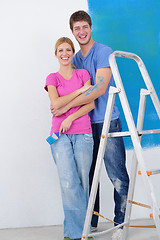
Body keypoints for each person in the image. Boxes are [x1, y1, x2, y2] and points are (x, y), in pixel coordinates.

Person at [51, 11, 130, 240]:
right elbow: (65, 92)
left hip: (107, 121)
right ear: (72, 31)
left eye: (84, 27)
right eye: (76, 29)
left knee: (117, 175)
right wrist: (61, 106)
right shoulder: (74, 60)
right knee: (87, 176)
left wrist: (65, 107)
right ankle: (91, 222)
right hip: (83, 126)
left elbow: (99, 89)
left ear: (91, 27)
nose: (81, 32)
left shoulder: (103, 52)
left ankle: (120, 223)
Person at [44, 37, 94, 240]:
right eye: (60, 50)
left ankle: (74, 231)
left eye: (68, 50)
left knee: (82, 181)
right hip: (59, 136)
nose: (64, 53)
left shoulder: (83, 73)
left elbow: (90, 103)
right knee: (68, 182)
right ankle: (79, 234)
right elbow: (55, 103)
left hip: (83, 133)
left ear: (73, 53)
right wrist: (80, 91)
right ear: (56, 54)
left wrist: (69, 114)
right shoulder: (52, 78)